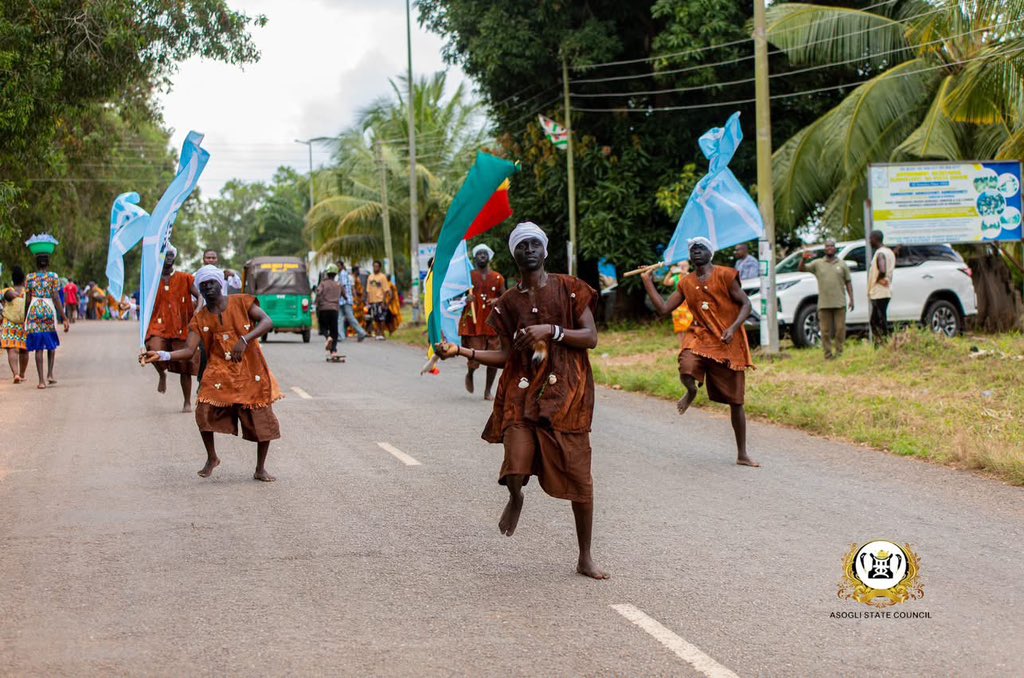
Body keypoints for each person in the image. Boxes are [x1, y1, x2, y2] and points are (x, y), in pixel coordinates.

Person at [435, 222, 609, 580]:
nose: (529, 249)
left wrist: (552, 331)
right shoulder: (507, 303)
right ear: (514, 254)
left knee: (579, 476)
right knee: (514, 463)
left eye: (535, 244)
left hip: (568, 394)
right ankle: (515, 496)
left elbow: (591, 337)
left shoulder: (571, 288)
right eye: (521, 245)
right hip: (522, 392)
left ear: (545, 251)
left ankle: (585, 555)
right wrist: (461, 351)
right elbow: (504, 356)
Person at [142, 265, 281, 481]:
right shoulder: (200, 318)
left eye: (211, 283)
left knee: (261, 417)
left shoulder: (241, 301)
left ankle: (260, 468)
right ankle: (212, 457)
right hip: (219, 370)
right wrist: (161, 355)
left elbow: (267, 321)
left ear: (220, 284)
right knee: (203, 410)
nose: (208, 288)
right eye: (203, 285)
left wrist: (244, 340)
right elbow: (189, 350)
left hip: (250, 368)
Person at [640, 237, 759, 467]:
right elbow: (664, 309)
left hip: (727, 342)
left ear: (710, 253)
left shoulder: (725, 275)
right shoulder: (686, 283)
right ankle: (690, 390)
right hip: (701, 337)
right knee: (686, 361)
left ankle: (742, 453)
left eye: (701, 248)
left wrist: (733, 328)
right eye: (692, 249)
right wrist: (647, 281)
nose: (696, 251)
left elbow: (746, 304)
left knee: (736, 401)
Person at [144, 246, 201, 412]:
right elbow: (144, 301)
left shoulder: (185, 278)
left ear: (174, 258)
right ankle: (162, 373)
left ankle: (187, 402)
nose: (168, 258)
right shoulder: (152, 279)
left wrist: (198, 308)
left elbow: (200, 295)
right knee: (152, 349)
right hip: (159, 324)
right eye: (164, 255)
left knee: (186, 361)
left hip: (181, 325)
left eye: (170, 255)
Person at [21, 235, 69, 389]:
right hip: (48, 310)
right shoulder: (53, 277)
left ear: (36, 262)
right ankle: (50, 373)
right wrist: (64, 317)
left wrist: (24, 318)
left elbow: (28, 299)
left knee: (38, 347)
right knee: (50, 343)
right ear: (48, 263)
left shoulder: (29, 277)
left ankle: (41, 381)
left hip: (34, 310)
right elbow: (56, 297)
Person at [459, 243, 506, 400]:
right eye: (479, 254)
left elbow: (505, 298)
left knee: (494, 357)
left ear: (489, 257)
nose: (482, 257)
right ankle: (470, 373)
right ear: (475, 257)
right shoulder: (468, 276)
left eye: (484, 254)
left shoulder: (498, 278)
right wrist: (467, 298)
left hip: (492, 323)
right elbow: (457, 297)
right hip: (473, 321)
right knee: (474, 355)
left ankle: (487, 390)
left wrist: (497, 300)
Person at [799, 239, 853, 359]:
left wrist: (851, 299)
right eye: (827, 246)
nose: (829, 248)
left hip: (839, 303)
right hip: (824, 304)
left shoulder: (842, 264)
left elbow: (848, 282)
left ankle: (839, 352)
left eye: (832, 246)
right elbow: (801, 269)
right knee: (825, 331)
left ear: (835, 248)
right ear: (825, 249)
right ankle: (828, 354)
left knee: (840, 329)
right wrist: (803, 259)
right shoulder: (818, 264)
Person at [2, 266, 29, 383]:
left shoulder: (7, 291)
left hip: (9, 324)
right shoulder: (27, 292)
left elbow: (8, 296)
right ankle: (22, 374)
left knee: (12, 349)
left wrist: (15, 295)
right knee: (24, 350)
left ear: (12, 280)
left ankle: (16, 374)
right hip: (23, 324)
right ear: (23, 280)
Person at [869, 230, 895, 344]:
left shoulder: (880, 253)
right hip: (886, 291)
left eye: (870, 239)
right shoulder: (889, 252)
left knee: (877, 321)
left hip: (880, 292)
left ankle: (883, 343)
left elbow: (882, 269)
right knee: (878, 319)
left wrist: (879, 279)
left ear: (875, 239)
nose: (869, 242)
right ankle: (882, 342)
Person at [663, 263, 693, 349]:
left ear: (688, 266)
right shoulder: (676, 277)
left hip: (689, 304)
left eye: (685, 265)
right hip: (678, 305)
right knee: (679, 326)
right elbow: (666, 282)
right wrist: (670, 272)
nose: (683, 267)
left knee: (689, 324)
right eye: (681, 266)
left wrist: (685, 273)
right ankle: (682, 346)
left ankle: (690, 345)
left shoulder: (690, 276)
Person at [315, 263, 342, 359]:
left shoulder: (323, 283)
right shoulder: (338, 284)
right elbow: (343, 294)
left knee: (323, 327)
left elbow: (318, 293)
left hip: (324, 309)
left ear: (327, 273)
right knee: (334, 330)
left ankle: (327, 337)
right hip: (334, 309)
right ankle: (333, 351)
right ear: (335, 274)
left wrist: (317, 304)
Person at [337, 261, 368, 342]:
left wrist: (344, 297)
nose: (337, 267)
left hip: (344, 299)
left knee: (350, 317)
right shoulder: (345, 274)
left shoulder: (343, 274)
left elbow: (342, 286)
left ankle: (361, 332)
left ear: (342, 266)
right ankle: (341, 336)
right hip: (343, 300)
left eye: (338, 266)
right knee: (340, 318)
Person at [366, 261, 390, 339]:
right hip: (373, 301)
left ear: (380, 267)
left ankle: (382, 333)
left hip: (380, 300)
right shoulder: (370, 277)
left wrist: (383, 301)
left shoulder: (382, 277)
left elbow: (386, 290)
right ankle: (378, 332)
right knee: (376, 318)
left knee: (381, 318)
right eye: (374, 266)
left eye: (377, 266)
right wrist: (368, 300)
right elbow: (368, 290)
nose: (375, 268)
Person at [350, 265, 368, 336]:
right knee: (355, 316)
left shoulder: (357, 278)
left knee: (361, 316)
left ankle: (361, 331)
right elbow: (353, 289)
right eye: (358, 270)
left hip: (360, 300)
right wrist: (356, 298)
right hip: (356, 300)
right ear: (355, 271)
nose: (359, 272)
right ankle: (355, 331)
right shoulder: (352, 278)